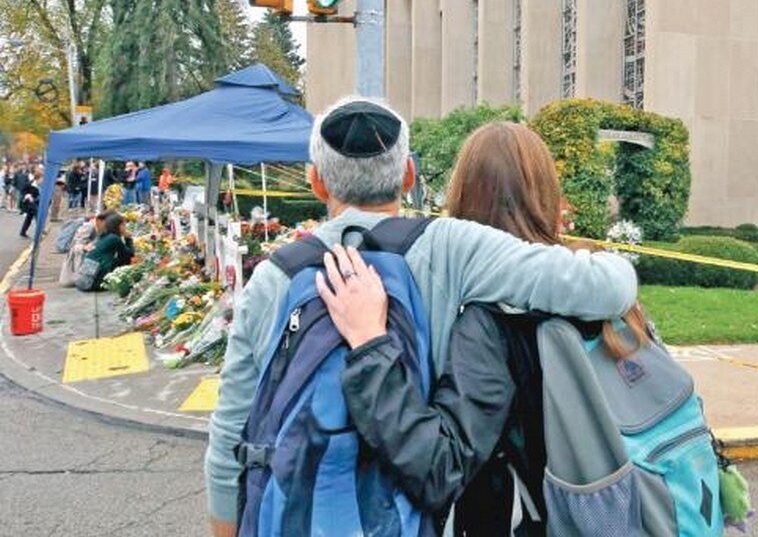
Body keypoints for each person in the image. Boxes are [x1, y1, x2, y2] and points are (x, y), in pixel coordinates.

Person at [205, 98, 637, 537]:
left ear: (315, 180)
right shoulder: (451, 248)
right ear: (409, 174)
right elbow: (611, 288)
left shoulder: (273, 278)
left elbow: (229, 437)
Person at [319, 123, 653, 533]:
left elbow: (438, 469)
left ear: (461, 194)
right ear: (547, 193)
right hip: (628, 508)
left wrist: (370, 344)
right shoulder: (605, 299)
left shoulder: (488, 321)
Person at [59, 210, 115, 287]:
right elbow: (75, 246)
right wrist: (85, 247)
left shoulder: (103, 228)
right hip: (81, 260)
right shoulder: (89, 227)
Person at [80, 213, 134, 291]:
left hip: (84, 279)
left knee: (115, 260)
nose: (125, 228)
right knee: (124, 261)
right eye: (124, 225)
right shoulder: (114, 238)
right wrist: (128, 239)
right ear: (118, 226)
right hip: (93, 283)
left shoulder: (103, 236)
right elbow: (128, 255)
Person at [18, 168, 41, 238]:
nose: (43, 180)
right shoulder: (30, 184)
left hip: (34, 202)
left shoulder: (39, 186)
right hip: (29, 203)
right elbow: (22, 191)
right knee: (38, 215)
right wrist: (28, 195)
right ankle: (40, 232)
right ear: (38, 178)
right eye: (42, 179)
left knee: (29, 218)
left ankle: (23, 232)